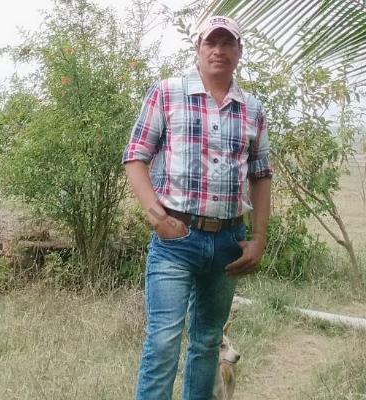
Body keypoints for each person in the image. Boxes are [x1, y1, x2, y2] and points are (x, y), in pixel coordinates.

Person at [123, 15, 273, 400]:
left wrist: (258, 238)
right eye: (211, 42)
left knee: (207, 343)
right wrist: (157, 218)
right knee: (162, 343)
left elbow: (261, 175)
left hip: (229, 243)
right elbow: (135, 156)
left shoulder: (252, 109)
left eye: (228, 43)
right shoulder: (167, 92)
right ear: (199, 48)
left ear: (239, 51)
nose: (219, 50)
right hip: (176, 241)